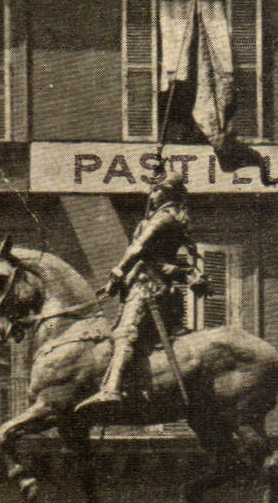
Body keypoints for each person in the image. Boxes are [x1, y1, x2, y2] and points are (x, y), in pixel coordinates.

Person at [76, 170, 208, 414]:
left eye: (156, 190)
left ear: (167, 193)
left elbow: (138, 248)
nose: (152, 194)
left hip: (150, 286)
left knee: (125, 332)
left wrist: (118, 271)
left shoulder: (164, 218)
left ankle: (112, 389)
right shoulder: (163, 216)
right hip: (145, 280)